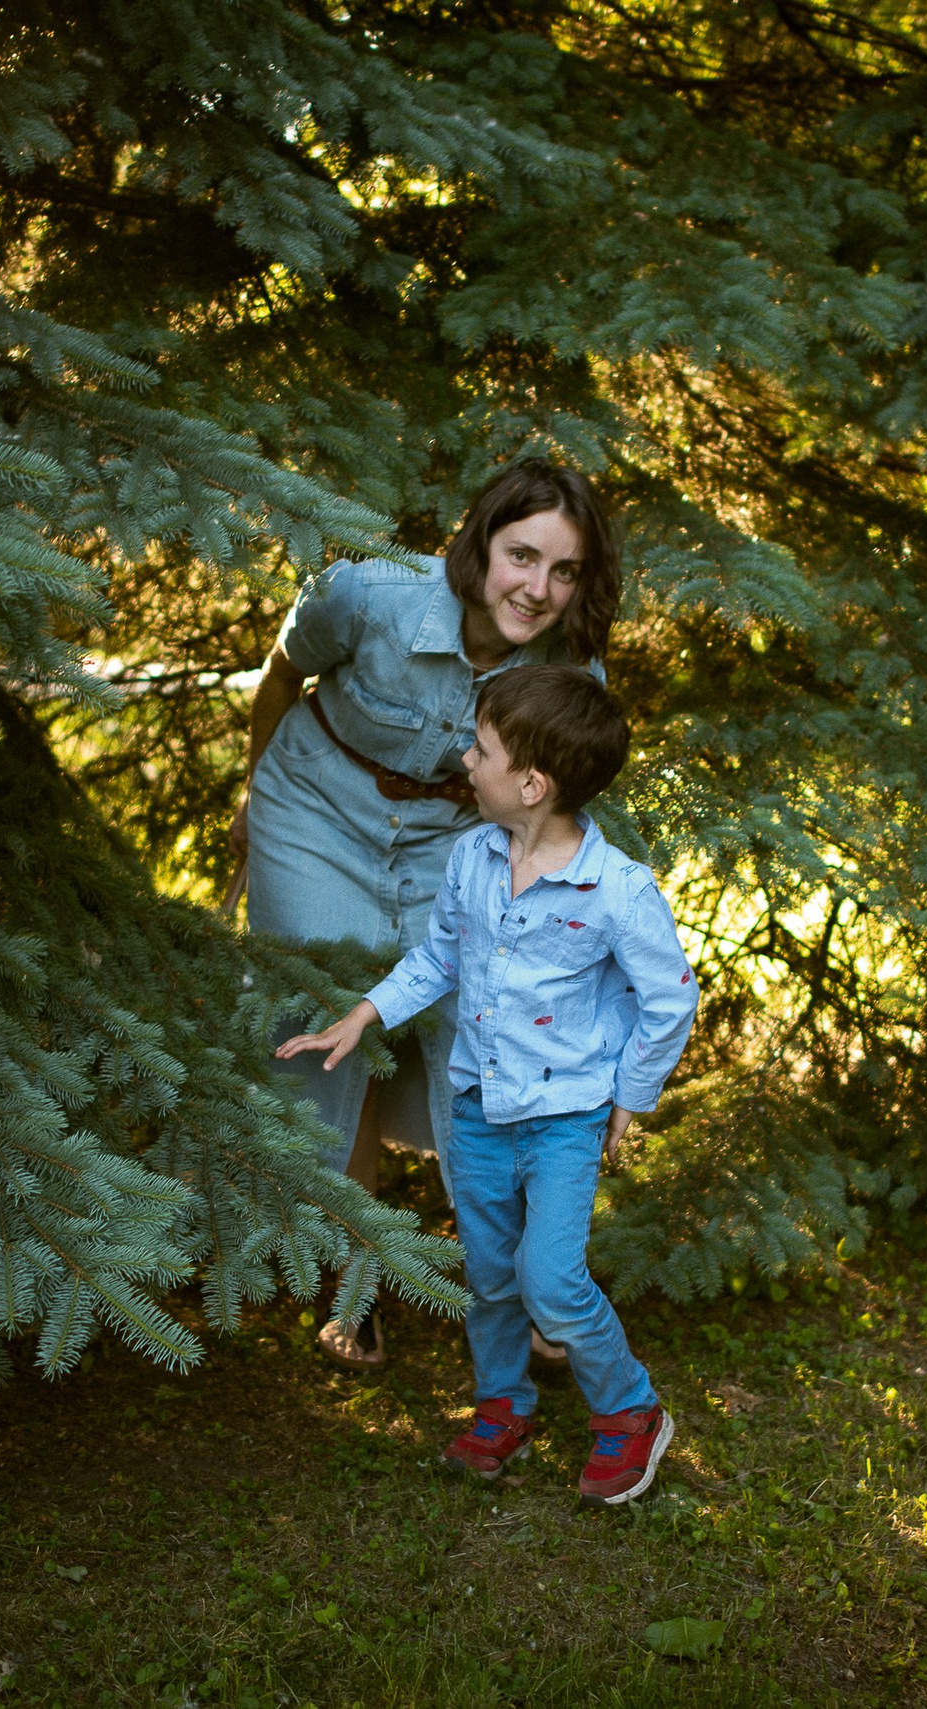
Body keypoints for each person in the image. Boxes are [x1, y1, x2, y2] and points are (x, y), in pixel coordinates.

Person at [276, 666, 698, 1507]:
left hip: (565, 1119)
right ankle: (504, 1403)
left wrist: (630, 1094)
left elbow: (670, 996)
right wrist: (364, 1013)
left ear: (531, 784)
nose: (464, 759)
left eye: (481, 748)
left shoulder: (616, 891)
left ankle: (632, 1410)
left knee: (549, 1278)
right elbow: (439, 956)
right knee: (491, 1274)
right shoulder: (472, 856)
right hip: (478, 1108)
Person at [233, 462, 620, 1369]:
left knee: (483, 1030)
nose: (538, 588)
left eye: (564, 572)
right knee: (332, 1021)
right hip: (315, 809)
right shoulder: (368, 595)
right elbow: (284, 674)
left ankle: (536, 1290)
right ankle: (352, 1281)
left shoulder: (568, 670)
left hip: (455, 834)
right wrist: (253, 797)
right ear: (481, 540)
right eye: (522, 556)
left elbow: (546, 810)